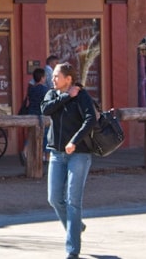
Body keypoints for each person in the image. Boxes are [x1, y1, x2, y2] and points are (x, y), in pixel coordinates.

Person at [41, 62, 96, 259]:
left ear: (69, 78)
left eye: (57, 76)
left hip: (79, 154)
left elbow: (91, 120)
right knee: (54, 198)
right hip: (56, 154)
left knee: (73, 201)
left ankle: (72, 250)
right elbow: (45, 110)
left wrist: (74, 141)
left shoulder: (82, 96)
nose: (53, 79)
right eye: (53, 76)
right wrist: (66, 96)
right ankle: (76, 226)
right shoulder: (52, 94)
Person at [20, 67, 48, 165]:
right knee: (45, 135)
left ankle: (25, 151)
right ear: (42, 78)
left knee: (31, 135)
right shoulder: (45, 89)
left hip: (31, 113)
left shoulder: (31, 89)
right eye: (45, 77)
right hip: (41, 115)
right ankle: (44, 156)